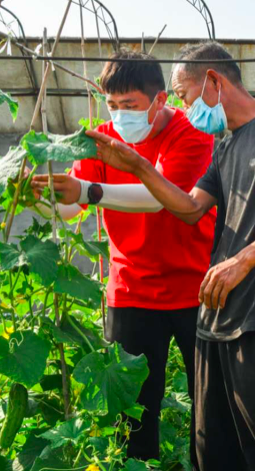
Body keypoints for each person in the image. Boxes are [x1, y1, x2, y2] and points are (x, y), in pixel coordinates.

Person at [87, 41, 255, 471]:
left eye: (183, 95)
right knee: (213, 452)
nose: (184, 107)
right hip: (215, 323)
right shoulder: (224, 146)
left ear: (214, 81)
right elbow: (188, 207)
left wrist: (244, 259)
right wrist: (140, 166)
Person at [30, 49, 214, 466]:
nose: (119, 116)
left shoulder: (191, 133)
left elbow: (161, 198)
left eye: (129, 106)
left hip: (195, 288)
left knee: (212, 402)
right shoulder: (99, 139)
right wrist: (36, 199)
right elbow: (72, 208)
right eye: (112, 106)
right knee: (133, 408)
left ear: (159, 100)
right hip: (131, 289)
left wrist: (88, 192)